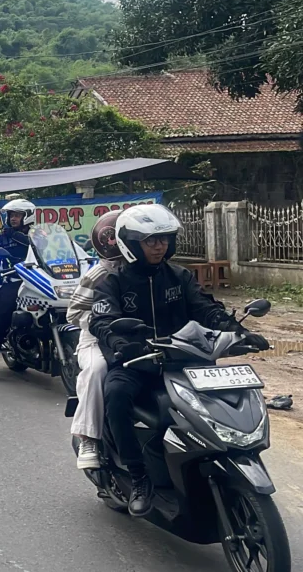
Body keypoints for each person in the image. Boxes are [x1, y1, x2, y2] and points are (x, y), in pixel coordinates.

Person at [90, 204, 269, 516]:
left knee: (220, 403)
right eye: (150, 241)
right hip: (138, 362)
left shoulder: (179, 276)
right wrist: (121, 343)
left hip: (185, 361)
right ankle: (139, 475)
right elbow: (101, 320)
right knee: (116, 395)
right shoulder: (113, 282)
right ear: (130, 244)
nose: (160, 246)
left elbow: (205, 308)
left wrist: (238, 331)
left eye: (164, 239)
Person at [65, 210, 124, 470]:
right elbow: (74, 313)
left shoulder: (157, 271)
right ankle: (88, 436)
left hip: (143, 337)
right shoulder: (99, 274)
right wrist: (105, 321)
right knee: (97, 369)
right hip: (97, 338)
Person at [0, 199, 36, 382]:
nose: (13, 219)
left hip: (39, 281)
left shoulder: (39, 234)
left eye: (17, 215)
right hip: (13, 282)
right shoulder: (3, 237)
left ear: (27, 216)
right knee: (1, 320)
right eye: (11, 215)